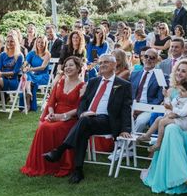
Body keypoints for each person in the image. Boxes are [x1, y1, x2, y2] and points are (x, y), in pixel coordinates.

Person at [42, 53, 133, 184]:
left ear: (114, 65)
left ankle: (60, 150)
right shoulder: (94, 82)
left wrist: (126, 129)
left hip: (108, 120)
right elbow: (83, 102)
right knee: (83, 127)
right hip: (88, 118)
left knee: (83, 123)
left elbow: (126, 108)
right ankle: (78, 170)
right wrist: (82, 113)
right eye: (100, 63)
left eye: (106, 62)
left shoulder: (123, 85)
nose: (102, 65)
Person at [140, 59, 187, 195]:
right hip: (172, 124)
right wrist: (167, 103)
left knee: (170, 128)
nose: (180, 73)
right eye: (178, 70)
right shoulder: (172, 90)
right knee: (169, 128)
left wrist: (174, 112)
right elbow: (166, 110)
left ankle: (182, 176)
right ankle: (181, 176)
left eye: (184, 71)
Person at [21, 56, 86, 177]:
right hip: (55, 114)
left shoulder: (83, 85)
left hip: (70, 118)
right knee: (43, 127)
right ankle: (41, 164)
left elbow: (80, 108)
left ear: (78, 68)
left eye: (71, 65)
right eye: (66, 66)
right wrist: (51, 113)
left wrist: (62, 116)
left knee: (52, 128)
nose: (67, 68)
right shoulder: (60, 81)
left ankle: (57, 163)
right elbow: (51, 101)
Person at [138, 78, 187, 153]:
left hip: (185, 122)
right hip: (177, 119)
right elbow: (170, 104)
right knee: (159, 119)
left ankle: (158, 143)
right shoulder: (179, 97)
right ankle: (147, 135)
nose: (180, 92)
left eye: (183, 91)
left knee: (162, 122)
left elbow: (184, 112)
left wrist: (172, 108)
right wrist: (166, 96)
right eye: (180, 89)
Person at [0, 34, 24, 121]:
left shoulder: (19, 56)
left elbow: (15, 73)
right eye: (8, 41)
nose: (9, 43)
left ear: (16, 43)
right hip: (1, 80)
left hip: (13, 82)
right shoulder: (3, 55)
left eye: (12, 41)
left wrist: (1, 73)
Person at [129, 48, 165, 133]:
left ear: (156, 60)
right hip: (132, 106)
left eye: (152, 57)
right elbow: (128, 93)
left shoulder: (161, 76)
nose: (148, 59)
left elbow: (159, 98)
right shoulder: (134, 74)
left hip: (149, 108)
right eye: (146, 56)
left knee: (141, 121)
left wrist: (142, 108)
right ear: (142, 58)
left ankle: (129, 144)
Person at [23, 35, 51, 112]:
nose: (40, 44)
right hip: (33, 76)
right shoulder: (32, 53)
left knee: (27, 79)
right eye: (38, 42)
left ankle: (28, 105)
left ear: (45, 44)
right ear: (36, 43)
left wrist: (30, 69)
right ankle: (28, 93)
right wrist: (24, 67)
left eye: (42, 42)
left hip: (43, 76)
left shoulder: (47, 54)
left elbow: (43, 67)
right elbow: (25, 63)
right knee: (26, 76)